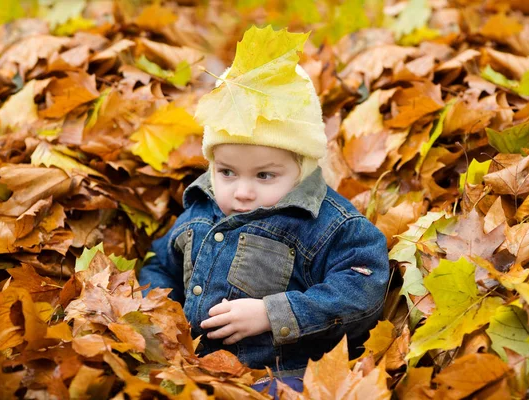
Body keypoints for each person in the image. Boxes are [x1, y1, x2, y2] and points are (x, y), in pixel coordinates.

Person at [139, 30, 390, 395]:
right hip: (192, 363)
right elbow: (160, 263)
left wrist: (275, 314)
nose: (242, 192)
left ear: (302, 165)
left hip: (278, 372)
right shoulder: (202, 208)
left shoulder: (326, 223)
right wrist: (164, 312)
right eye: (226, 172)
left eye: (264, 175)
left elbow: (363, 286)